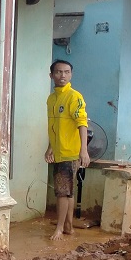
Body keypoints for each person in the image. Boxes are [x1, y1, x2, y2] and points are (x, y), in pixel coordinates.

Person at [45, 59, 90, 241]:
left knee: (62, 192)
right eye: (58, 72)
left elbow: (82, 123)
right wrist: (50, 148)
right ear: (51, 75)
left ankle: (60, 228)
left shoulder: (74, 97)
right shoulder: (52, 99)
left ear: (71, 74)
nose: (62, 75)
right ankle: (69, 227)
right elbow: (54, 127)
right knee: (68, 190)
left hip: (70, 152)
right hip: (59, 152)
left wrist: (84, 151)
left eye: (66, 72)